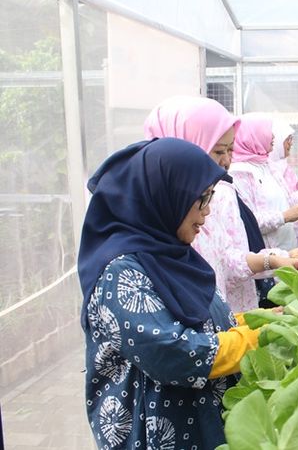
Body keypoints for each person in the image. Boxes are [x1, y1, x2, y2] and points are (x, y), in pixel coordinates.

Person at [78, 138, 261, 449]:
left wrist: (255, 320)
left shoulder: (171, 252)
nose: (207, 212)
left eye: (210, 197)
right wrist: (256, 338)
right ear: (166, 195)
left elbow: (199, 316)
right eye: (201, 199)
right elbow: (172, 352)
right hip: (154, 430)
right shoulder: (120, 272)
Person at [144, 96, 298, 312]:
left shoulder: (217, 190)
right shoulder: (163, 218)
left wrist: (280, 258)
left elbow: (226, 260)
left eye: (231, 150)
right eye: (219, 151)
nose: (228, 160)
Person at [230, 115, 298, 252]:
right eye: (267, 132)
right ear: (252, 136)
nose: (272, 136)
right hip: (268, 258)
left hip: (288, 252)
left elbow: (284, 201)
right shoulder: (240, 173)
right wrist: (285, 216)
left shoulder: (267, 165)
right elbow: (248, 221)